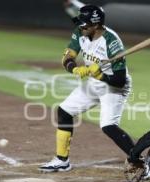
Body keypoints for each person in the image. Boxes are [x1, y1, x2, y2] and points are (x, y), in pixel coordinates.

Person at [39, 5, 134, 172]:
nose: (81, 27)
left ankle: (140, 160)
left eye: (85, 25)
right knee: (64, 112)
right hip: (93, 83)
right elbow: (68, 56)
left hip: (114, 87)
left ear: (96, 25)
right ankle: (62, 160)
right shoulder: (80, 32)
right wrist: (74, 68)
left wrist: (101, 76)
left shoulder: (112, 42)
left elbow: (119, 80)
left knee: (108, 126)